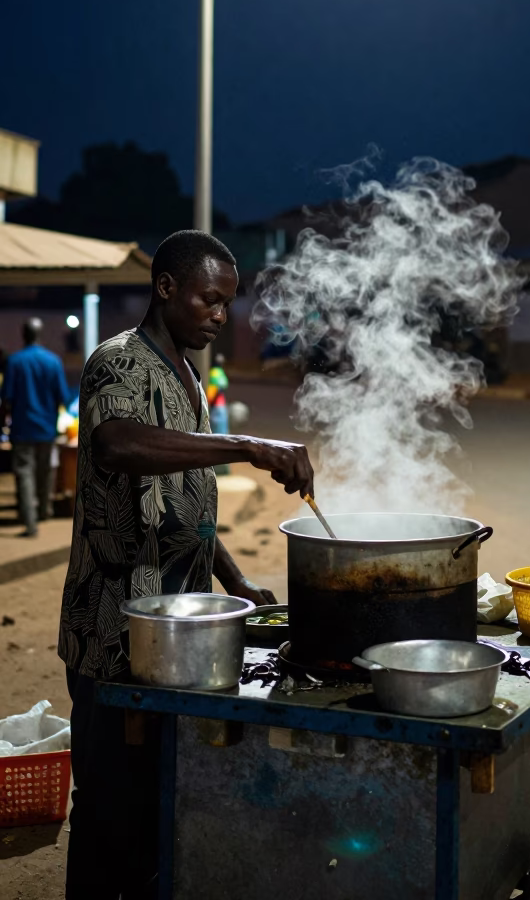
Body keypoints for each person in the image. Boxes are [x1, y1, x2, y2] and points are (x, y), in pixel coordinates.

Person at [58, 229, 314, 900]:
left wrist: (234, 579)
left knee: (158, 804)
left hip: (177, 634)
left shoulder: (190, 377)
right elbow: (115, 446)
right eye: (209, 300)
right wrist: (248, 444)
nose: (219, 316)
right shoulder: (116, 362)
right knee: (107, 808)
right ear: (166, 287)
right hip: (113, 632)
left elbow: (183, 506)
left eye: (227, 304)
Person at [1, 317, 71, 537]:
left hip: (22, 429)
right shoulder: (53, 361)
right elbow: (63, 396)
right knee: (45, 472)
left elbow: (7, 399)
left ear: (24, 334)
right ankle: (43, 511)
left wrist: (4, 422)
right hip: (46, 429)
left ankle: (29, 521)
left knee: (24, 473)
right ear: (39, 334)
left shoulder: (14, 362)